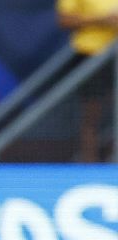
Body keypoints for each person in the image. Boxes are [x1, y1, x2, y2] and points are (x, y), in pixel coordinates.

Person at [57, 0, 118, 162]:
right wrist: (102, 20)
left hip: (114, 56)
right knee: (92, 115)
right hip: (90, 55)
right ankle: (90, 165)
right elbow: (64, 20)